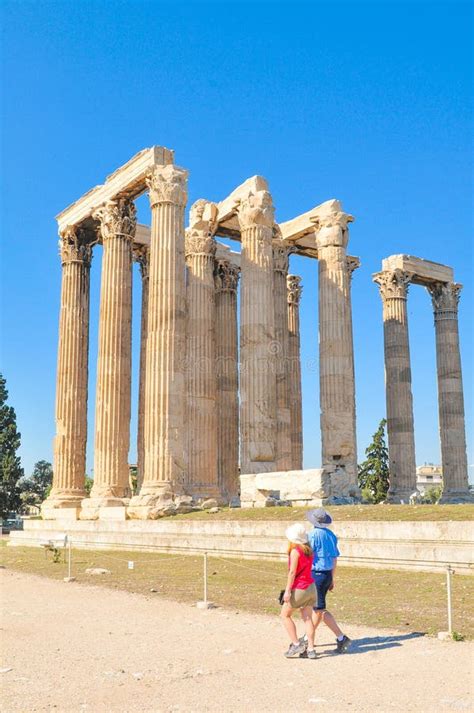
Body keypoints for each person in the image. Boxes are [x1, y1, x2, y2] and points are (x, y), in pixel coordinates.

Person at [306, 508, 351, 653]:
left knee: (318, 609)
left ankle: (339, 637)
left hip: (315, 574)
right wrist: (332, 577)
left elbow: (307, 558)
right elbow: (334, 558)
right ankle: (309, 636)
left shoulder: (311, 536)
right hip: (326, 574)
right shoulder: (331, 535)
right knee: (318, 609)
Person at [280, 523, 317, 659]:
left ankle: (296, 644)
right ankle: (311, 649)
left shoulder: (296, 551)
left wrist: (288, 591)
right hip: (311, 587)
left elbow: (292, 572)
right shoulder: (309, 550)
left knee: (285, 615)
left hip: (300, 587)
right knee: (308, 618)